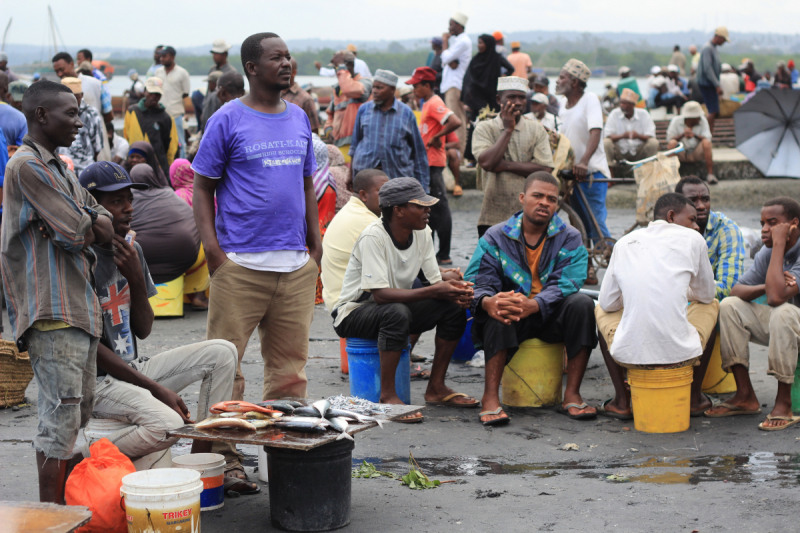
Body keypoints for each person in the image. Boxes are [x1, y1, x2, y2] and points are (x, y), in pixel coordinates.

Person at [192, 32, 320, 481]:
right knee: (227, 368)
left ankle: (285, 457)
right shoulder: (227, 118)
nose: (287, 64)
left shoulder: (300, 117)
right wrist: (214, 251)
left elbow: (306, 182)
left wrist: (315, 244)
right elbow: (202, 186)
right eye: (275, 58)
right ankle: (225, 460)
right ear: (251, 67)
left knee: (289, 373)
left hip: (294, 265)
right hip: (240, 265)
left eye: (288, 56)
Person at [76, 162, 240, 481]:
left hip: (131, 370)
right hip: (96, 383)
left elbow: (144, 329)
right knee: (170, 423)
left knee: (223, 353)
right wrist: (155, 389)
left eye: (129, 199)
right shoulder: (81, 259)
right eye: (116, 201)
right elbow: (91, 349)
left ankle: (202, 461)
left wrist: (136, 279)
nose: (128, 209)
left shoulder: (132, 249)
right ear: (91, 207)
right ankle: (86, 456)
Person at [1, 80, 114, 503]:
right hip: (53, 310)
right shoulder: (27, 166)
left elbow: (99, 218)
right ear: (42, 115)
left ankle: (66, 511)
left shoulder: (59, 168)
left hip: (75, 306)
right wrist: (87, 221)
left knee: (77, 411)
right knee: (60, 417)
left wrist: (88, 220)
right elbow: (79, 229)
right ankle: (51, 518)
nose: (79, 122)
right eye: (70, 114)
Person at [333, 178, 478, 421]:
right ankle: (388, 395)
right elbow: (380, 296)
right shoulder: (373, 237)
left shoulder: (423, 233)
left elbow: (434, 282)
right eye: (420, 206)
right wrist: (436, 291)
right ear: (399, 210)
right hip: (353, 313)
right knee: (395, 311)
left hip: (393, 308)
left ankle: (436, 387)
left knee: (453, 307)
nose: (427, 210)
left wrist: (455, 290)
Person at [466, 172, 597, 425]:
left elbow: (570, 280)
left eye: (551, 199)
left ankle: (572, 395)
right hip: (512, 313)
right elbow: (478, 280)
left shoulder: (569, 236)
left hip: (550, 313)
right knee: (499, 309)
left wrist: (535, 304)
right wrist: (488, 302)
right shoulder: (495, 236)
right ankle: (490, 399)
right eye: (538, 196)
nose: (544, 203)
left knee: (582, 304)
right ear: (523, 198)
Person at [595, 193, 719, 419]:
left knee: (600, 308)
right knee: (713, 305)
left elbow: (608, 303)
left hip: (628, 356)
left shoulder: (624, 242)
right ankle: (694, 398)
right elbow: (706, 294)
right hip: (681, 355)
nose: (696, 227)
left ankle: (622, 401)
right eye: (692, 219)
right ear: (671, 216)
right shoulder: (693, 240)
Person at [704, 197, 800, 430]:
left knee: (783, 311)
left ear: (793, 225)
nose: (765, 230)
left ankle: (784, 402)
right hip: (788, 326)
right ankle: (745, 395)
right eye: (762, 224)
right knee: (729, 306)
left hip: (789, 320)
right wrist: (768, 283)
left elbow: (776, 299)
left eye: (772, 223)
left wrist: (778, 245)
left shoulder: (777, 249)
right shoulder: (767, 253)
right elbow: (737, 290)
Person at [127, 143, 208, 312]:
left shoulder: (126, 201)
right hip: (185, 258)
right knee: (205, 241)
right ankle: (197, 295)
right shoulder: (169, 193)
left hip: (140, 263)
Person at [473, 77, 554, 237]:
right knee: (492, 261)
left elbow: (545, 169)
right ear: (499, 99)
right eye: (511, 97)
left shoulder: (537, 129)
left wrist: (503, 165)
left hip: (530, 217)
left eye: (522, 97)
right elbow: (487, 163)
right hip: (493, 214)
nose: (517, 102)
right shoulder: (485, 128)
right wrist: (508, 130)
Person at [556, 58, 613, 283]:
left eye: (563, 77)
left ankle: (616, 264)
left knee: (595, 222)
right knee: (577, 223)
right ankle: (588, 269)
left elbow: (595, 130)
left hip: (592, 174)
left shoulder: (589, 100)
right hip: (572, 175)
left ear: (575, 83)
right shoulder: (562, 106)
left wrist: (584, 161)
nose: (558, 81)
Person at [407, 66, 462, 263]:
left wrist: (437, 137)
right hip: (427, 162)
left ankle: (444, 254)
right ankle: (431, 252)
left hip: (433, 162)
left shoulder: (434, 102)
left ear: (426, 85)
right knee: (430, 208)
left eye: (416, 86)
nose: (414, 90)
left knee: (439, 207)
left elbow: (455, 121)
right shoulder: (426, 103)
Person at [321, 169, 389, 312]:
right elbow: (396, 265)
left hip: (341, 296)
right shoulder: (366, 221)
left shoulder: (354, 210)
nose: (389, 197)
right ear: (364, 195)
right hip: (349, 303)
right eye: (383, 192)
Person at [350, 69, 429, 189]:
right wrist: (350, 174)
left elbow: (418, 152)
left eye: (379, 88)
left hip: (397, 178)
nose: (375, 91)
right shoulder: (364, 110)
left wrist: (423, 186)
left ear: (392, 90)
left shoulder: (406, 113)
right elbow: (355, 144)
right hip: (366, 177)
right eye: (374, 87)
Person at [675, 176, 745, 299]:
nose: (701, 206)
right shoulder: (670, 229)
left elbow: (728, 287)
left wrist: (681, 292)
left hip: (710, 303)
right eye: (693, 200)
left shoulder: (726, 229)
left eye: (705, 199)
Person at [323, 50, 372, 163]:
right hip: (339, 149)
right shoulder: (337, 89)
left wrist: (342, 69)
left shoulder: (365, 83)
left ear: (349, 66)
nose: (337, 72)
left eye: (338, 68)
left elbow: (350, 89)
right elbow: (331, 114)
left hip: (360, 148)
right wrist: (329, 130)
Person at [123, 77, 178, 177]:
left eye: (157, 94)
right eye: (151, 93)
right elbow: (126, 135)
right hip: (135, 164)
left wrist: (168, 167)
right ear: (145, 91)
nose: (154, 96)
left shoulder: (166, 117)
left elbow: (171, 146)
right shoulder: (132, 111)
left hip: (158, 167)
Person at [603, 88, 658, 175]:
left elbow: (650, 135)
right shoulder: (614, 114)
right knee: (606, 142)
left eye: (624, 103)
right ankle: (610, 175)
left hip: (638, 151)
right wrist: (622, 136)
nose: (621, 105)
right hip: (620, 151)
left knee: (653, 143)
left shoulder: (644, 114)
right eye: (621, 102)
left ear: (632, 105)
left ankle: (649, 174)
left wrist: (638, 136)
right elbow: (608, 135)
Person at [55, 77, 105, 174]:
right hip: (61, 171)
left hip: (86, 171)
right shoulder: (55, 114)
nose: (71, 102)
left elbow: (97, 146)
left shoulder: (91, 114)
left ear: (82, 96)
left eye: (76, 98)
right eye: (68, 98)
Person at [440, 12, 472, 156]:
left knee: (456, 120)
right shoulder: (459, 41)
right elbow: (446, 61)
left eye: (451, 25)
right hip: (451, 85)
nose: (449, 28)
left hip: (454, 85)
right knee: (454, 119)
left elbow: (445, 57)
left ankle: (459, 154)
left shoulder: (462, 41)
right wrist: (449, 60)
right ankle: (457, 153)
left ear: (459, 25)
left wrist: (444, 41)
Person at [51, 52, 113, 125]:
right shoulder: (57, 90)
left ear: (71, 64)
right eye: (56, 71)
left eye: (62, 69)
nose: (59, 74)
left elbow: (108, 115)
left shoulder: (95, 84)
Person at [461, 34, 515, 118]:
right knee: (479, 117)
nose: (478, 45)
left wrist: (503, 77)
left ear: (488, 44)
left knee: (493, 116)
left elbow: (510, 68)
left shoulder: (497, 57)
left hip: (492, 93)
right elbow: (469, 78)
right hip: (478, 94)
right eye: (478, 43)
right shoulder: (476, 59)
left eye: (481, 43)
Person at [666, 101, 716, 184]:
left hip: (696, 153)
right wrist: (682, 135)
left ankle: (710, 175)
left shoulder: (703, 120)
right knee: (672, 143)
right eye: (697, 116)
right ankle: (671, 176)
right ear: (691, 118)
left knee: (706, 143)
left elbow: (708, 138)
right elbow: (669, 139)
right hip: (681, 153)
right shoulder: (676, 121)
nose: (699, 118)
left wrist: (695, 135)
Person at [155, 46, 191, 158]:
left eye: (164, 56)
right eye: (161, 56)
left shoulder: (182, 73)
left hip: (176, 114)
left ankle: (181, 168)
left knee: (180, 142)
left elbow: (186, 93)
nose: (161, 59)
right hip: (161, 114)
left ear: (172, 57)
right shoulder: (158, 72)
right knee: (162, 142)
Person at [697, 27, 730, 133]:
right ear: (719, 37)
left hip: (711, 84)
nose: (724, 42)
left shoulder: (713, 48)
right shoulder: (708, 48)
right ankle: (706, 134)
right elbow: (707, 68)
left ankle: (709, 135)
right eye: (724, 40)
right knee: (712, 110)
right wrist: (717, 85)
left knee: (714, 111)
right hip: (707, 84)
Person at [282, 58, 320, 134]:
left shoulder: (305, 99)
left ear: (294, 72)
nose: (280, 72)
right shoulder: (274, 95)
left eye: (285, 69)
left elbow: (313, 132)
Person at [0, 72, 27, 150]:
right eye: (17, 100)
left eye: (22, 100)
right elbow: (24, 152)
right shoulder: (20, 119)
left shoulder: (23, 118)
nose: (19, 103)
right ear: (8, 96)